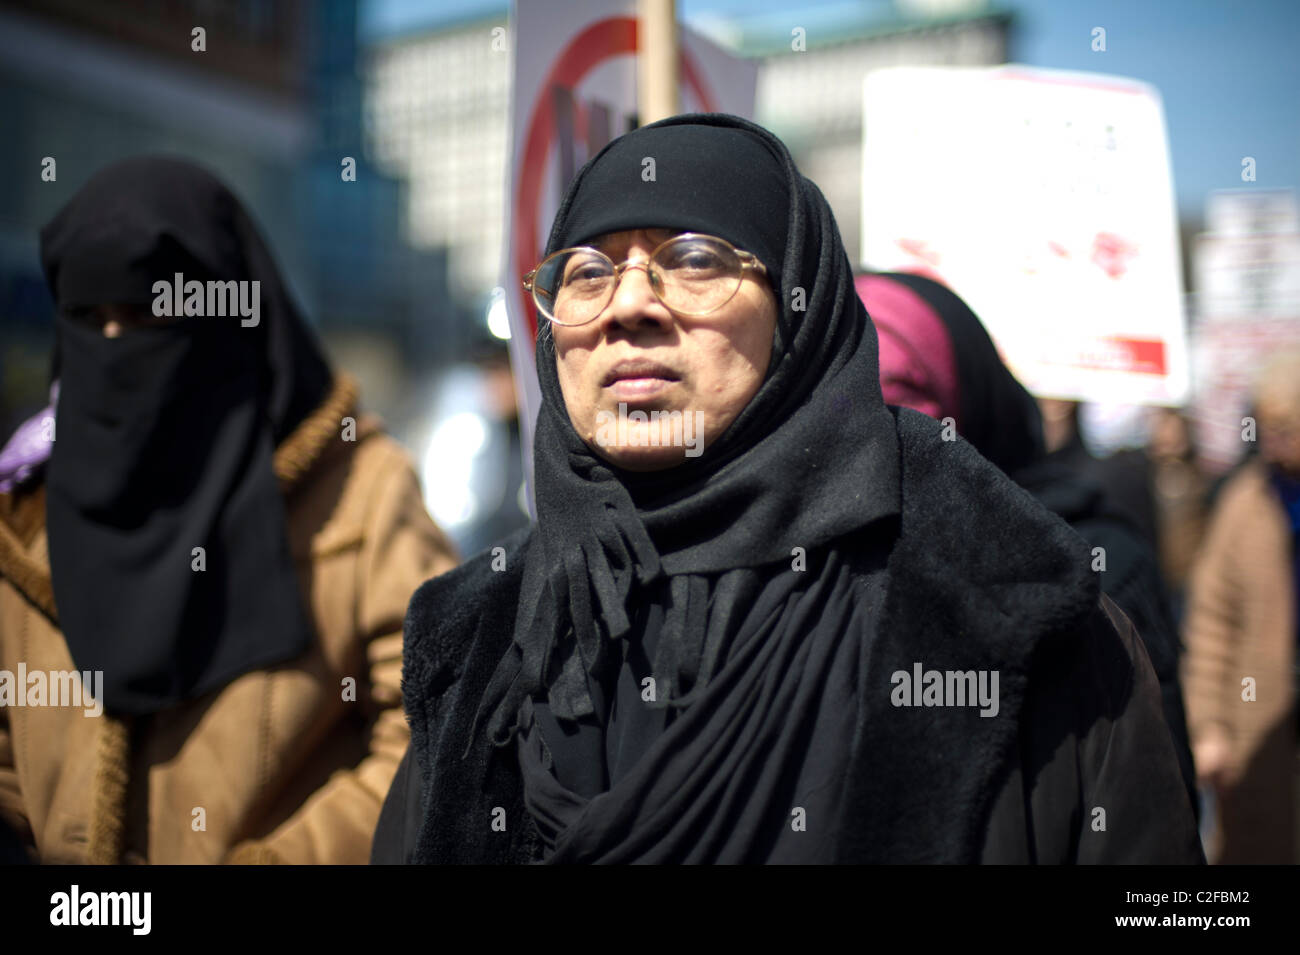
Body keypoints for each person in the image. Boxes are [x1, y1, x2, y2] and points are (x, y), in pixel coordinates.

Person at [374, 114, 1201, 864]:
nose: (628, 306)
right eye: (586, 273)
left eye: (692, 259)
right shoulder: (478, 636)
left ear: (802, 309)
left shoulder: (1008, 601)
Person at [0, 157, 457, 863]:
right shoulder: (25, 508)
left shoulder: (359, 491)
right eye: (92, 318)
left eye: (151, 310)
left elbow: (434, 728)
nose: (117, 346)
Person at [857, 269, 1197, 814]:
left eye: (907, 393)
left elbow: (1151, 810)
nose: (882, 427)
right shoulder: (797, 570)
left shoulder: (1089, 558)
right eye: (850, 391)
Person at [1183, 348, 1300, 864]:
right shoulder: (1244, 503)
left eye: (1289, 427)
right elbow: (1211, 622)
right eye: (1270, 428)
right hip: (1258, 733)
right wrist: (1209, 727)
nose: (1278, 442)